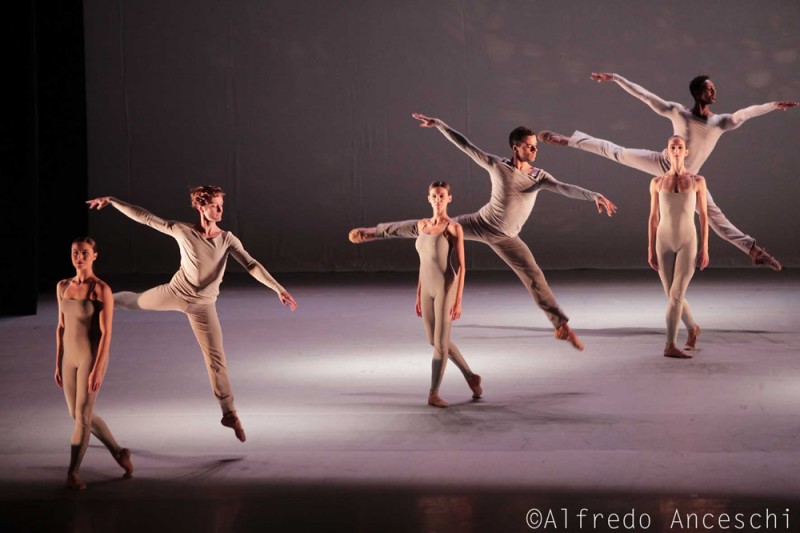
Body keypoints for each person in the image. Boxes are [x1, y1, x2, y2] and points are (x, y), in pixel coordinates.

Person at [349, 113, 618, 351]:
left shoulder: (539, 176)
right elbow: (466, 146)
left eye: (535, 145)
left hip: (507, 237)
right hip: (480, 222)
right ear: (516, 148)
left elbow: (563, 187)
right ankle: (377, 232)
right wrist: (440, 125)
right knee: (431, 227)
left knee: (533, 274)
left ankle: (560, 325)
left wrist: (592, 195)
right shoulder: (497, 164)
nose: (535, 148)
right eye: (528, 145)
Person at [87, 187, 298, 443]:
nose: (220, 210)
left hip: (203, 306)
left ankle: (228, 412)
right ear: (201, 207)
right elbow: (146, 218)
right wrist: (112, 200)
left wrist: (278, 288)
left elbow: (251, 264)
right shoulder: (183, 231)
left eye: (221, 205)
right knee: (134, 302)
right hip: (175, 292)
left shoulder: (227, 239)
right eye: (215, 206)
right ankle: (97, 302)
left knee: (216, 358)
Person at [538, 72, 798, 271]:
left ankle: (753, 250)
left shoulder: (720, 122)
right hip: (662, 163)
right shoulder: (679, 112)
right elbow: (646, 96)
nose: (714, 91)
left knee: (716, 218)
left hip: (690, 177)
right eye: (709, 88)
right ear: (697, 92)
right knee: (616, 152)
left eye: (714, 88)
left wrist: (772, 105)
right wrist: (617, 78)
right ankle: (568, 140)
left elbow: (744, 114)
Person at [56, 237, 133, 490]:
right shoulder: (63, 286)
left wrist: (98, 368)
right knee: (77, 414)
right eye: (75, 252)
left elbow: (107, 333)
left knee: (83, 418)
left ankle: (73, 473)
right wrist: (58, 363)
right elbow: (61, 327)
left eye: (85, 253)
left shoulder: (100, 289)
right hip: (69, 358)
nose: (79, 257)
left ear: (94, 256)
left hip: (91, 357)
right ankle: (119, 452)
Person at [415, 181, 482, 408]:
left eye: (442, 196)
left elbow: (462, 266)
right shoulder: (421, 225)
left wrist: (458, 300)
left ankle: (433, 393)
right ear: (428, 198)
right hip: (427, 288)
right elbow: (423, 263)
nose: (438, 199)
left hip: (446, 287)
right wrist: (418, 294)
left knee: (440, 345)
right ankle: (471, 377)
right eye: (434, 195)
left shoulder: (453, 228)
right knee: (433, 340)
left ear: (449, 199)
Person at [648, 136, 709, 358]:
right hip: (662, 242)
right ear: (667, 152)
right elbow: (653, 217)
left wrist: (705, 248)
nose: (676, 150)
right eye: (672, 147)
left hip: (687, 242)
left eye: (679, 147)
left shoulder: (697, 181)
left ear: (686, 152)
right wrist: (649, 249)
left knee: (676, 295)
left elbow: (703, 216)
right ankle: (693, 328)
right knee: (672, 296)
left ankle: (669, 345)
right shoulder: (656, 182)